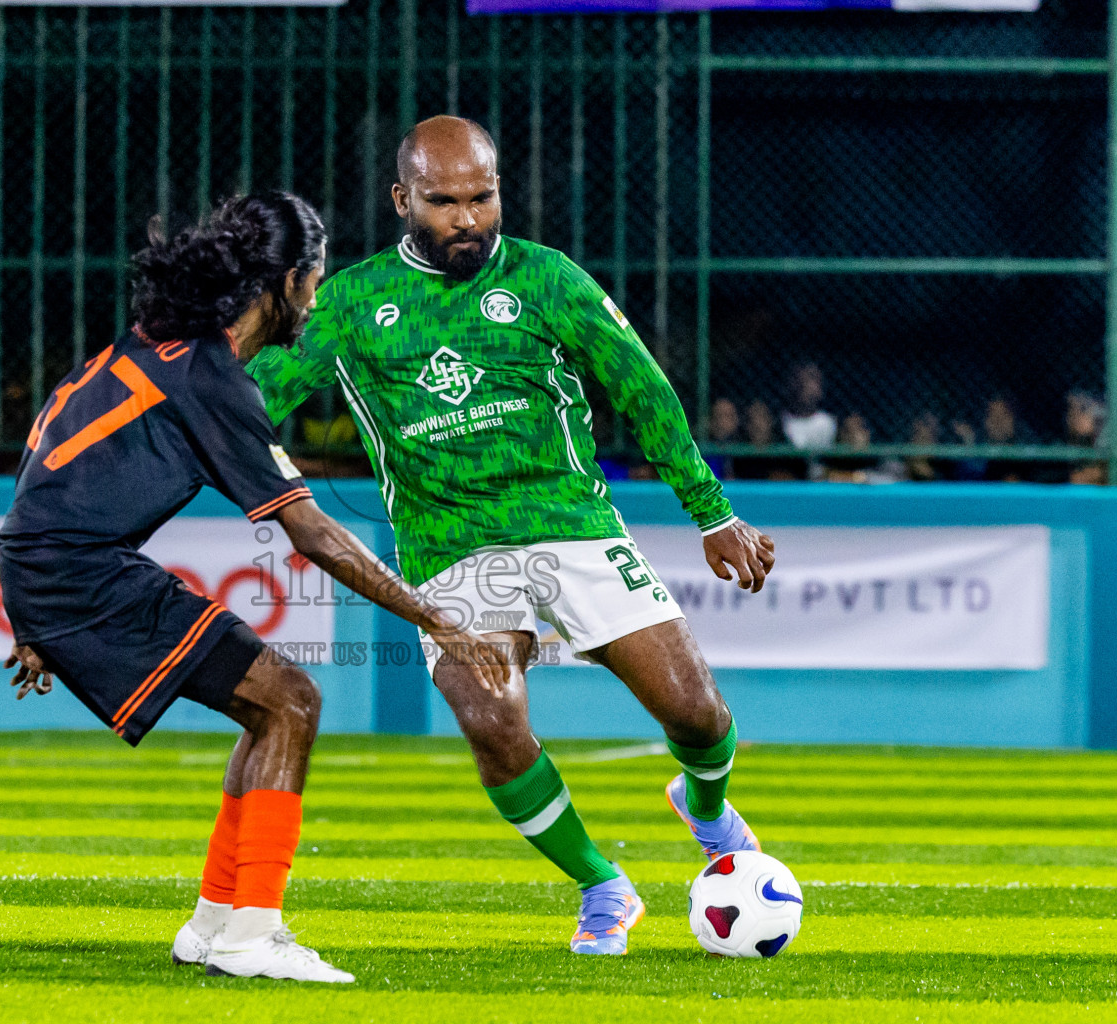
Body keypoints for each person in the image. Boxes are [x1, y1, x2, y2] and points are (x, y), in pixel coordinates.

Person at [247, 116, 776, 956]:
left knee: (698, 714)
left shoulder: (547, 278)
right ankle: (602, 884)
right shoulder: (349, 305)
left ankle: (705, 810)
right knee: (490, 718)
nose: (467, 218)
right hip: (450, 545)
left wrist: (710, 509)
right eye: (444, 202)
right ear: (402, 200)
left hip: (569, 521)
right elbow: (246, 405)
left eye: (482, 197)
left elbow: (642, 389)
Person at [0, 192, 508, 984]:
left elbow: (48, 436)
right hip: (77, 571)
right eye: (315, 277)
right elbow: (314, 533)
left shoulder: (157, 347)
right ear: (283, 284)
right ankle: (252, 933)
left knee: (263, 704)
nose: (318, 293)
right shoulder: (211, 379)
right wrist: (438, 618)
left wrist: (30, 604)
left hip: (56, 566)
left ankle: (214, 923)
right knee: (291, 702)